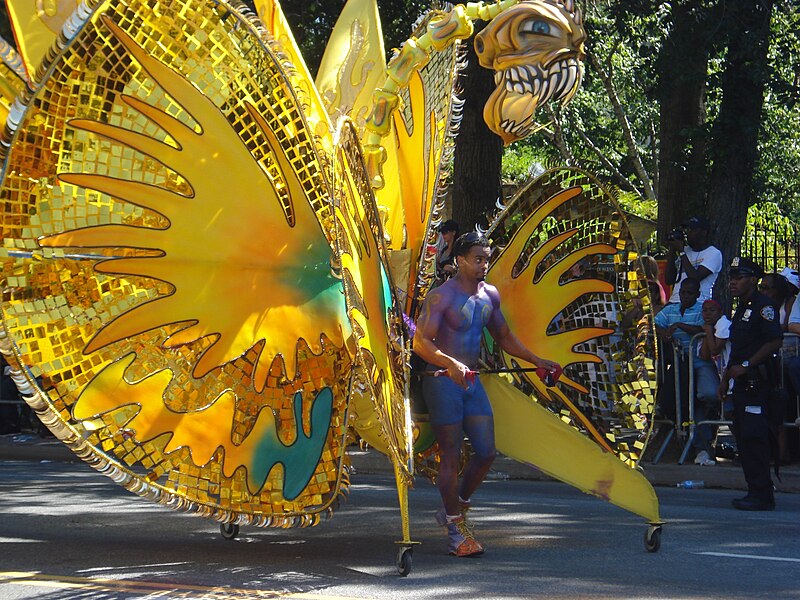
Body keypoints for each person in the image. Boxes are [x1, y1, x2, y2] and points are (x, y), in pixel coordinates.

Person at [413, 232, 560, 556]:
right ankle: (455, 530)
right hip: (441, 381)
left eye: (487, 259)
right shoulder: (441, 297)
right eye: (478, 259)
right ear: (460, 260)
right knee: (450, 455)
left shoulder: (489, 295)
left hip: (471, 382)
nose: (484, 265)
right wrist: (449, 362)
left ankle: (456, 510)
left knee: (486, 451)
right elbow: (421, 342)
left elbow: (503, 335)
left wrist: (536, 361)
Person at [718, 257, 783, 511]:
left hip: (758, 383)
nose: (733, 282)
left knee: (755, 437)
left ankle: (762, 493)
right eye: (732, 277)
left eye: (739, 277)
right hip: (742, 385)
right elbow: (737, 348)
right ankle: (754, 489)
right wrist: (725, 379)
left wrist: (746, 366)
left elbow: (774, 341)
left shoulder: (764, 306)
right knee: (744, 437)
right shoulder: (742, 308)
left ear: (753, 280)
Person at [654, 278, 716, 446]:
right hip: (678, 361)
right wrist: (664, 332)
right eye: (683, 292)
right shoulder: (670, 309)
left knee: (708, 393)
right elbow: (654, 324)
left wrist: (680, 325)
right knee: (677, 394)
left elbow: (702, 329)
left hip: (699, 360)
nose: (686, 296)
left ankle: (710, 419)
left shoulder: (702, 310)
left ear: (697, 294)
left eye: (690, 293)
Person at [693, 299, 731, 465]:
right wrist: (708, 331)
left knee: (732, 412)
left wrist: (708, 331)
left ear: (720, 312)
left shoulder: (724, 324)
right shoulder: (709, 328)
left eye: (712, 311)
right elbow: (704, 355)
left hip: (733, 377)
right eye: (705, 311)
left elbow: (716, 348)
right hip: (721, 375)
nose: (707, 314)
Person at [665, 217, 723, 304]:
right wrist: (672, 250)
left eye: (692, 229)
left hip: (697, 303)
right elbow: (669, 280)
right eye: (687, 229)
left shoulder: (713, 253)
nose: (688, 232)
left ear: (704, 232)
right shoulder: (685, 250)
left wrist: (681, 252)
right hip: (674, 301)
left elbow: (695, 278)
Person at [435, 220, 459, 284]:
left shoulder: (458, 250)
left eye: (445, 232)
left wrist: (452, 270)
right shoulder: (444, 250)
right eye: (442, 232)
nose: (443, 235)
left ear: (453, 232)